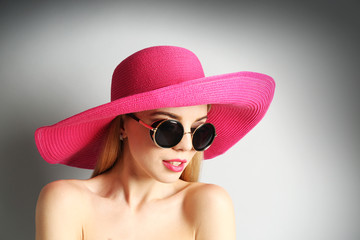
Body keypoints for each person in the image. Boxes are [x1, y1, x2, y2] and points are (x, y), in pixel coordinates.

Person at [34, 46, 275, 240]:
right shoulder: (66, 201)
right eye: (168, 128)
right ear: (122, 126)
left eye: (198, 130)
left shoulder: (208, 204)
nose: (186, 146)